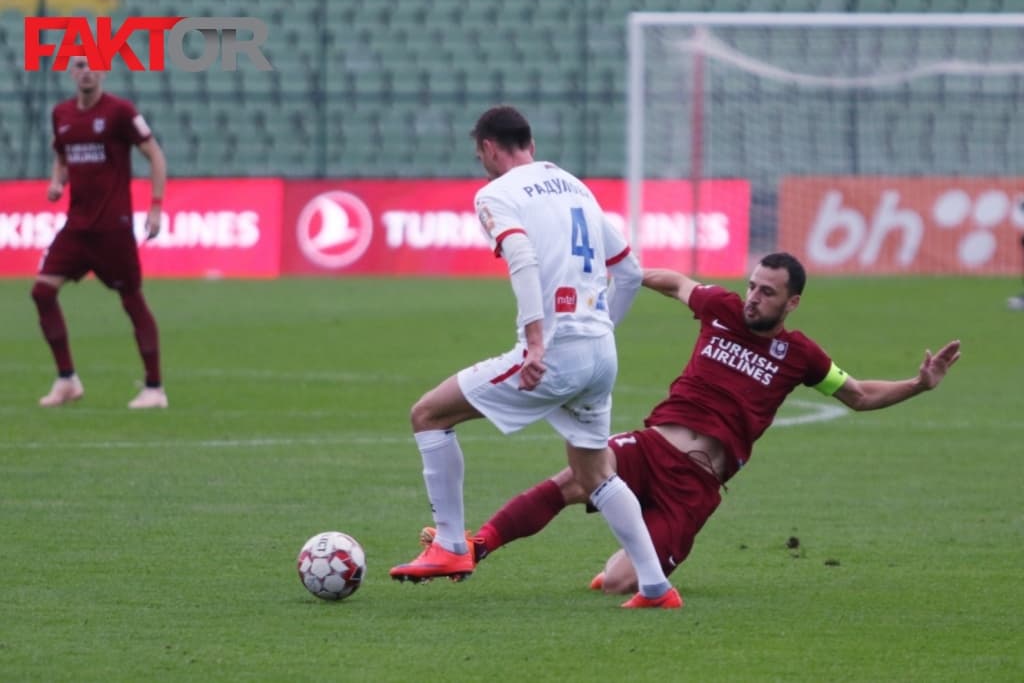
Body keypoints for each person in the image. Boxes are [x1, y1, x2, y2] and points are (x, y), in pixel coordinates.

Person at [421, 253, 961, 598]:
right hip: (653, 444)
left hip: (697, 486)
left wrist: (918, 385)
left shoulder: (800, 356)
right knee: (573, 480)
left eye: (767, 292)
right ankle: (475, 545)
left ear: (792, 302)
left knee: (617, 584)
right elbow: (676, 282)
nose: (753, 297)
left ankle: (630, 562)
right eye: (752, 285)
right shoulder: (720, 308)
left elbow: (859, 395)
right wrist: (624, 273)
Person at [389, 105, 682, 608]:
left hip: (555, 353)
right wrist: (601, 328)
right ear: (531, 143)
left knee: (429, 415)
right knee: (595, 474)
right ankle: (656, 588)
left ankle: (451, 544)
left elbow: (521, 257)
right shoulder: (577, 187)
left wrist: (538, 344)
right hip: (600, 353)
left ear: (487, 147)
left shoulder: (495, 194)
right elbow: (630, 272)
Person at [33, 57, 168, 409]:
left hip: (112, 228)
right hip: (77, 227)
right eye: (79, 65)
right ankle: (67, 380)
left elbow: (154, 154)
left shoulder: (120, 112)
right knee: (42, 292)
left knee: (132, 300)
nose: (86, 71)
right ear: (71, 72)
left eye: (93, 65)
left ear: (104, 71)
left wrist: (155, 206)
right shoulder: (61, 114)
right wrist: (56, 182)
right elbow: (62, 156)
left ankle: (154, 388)